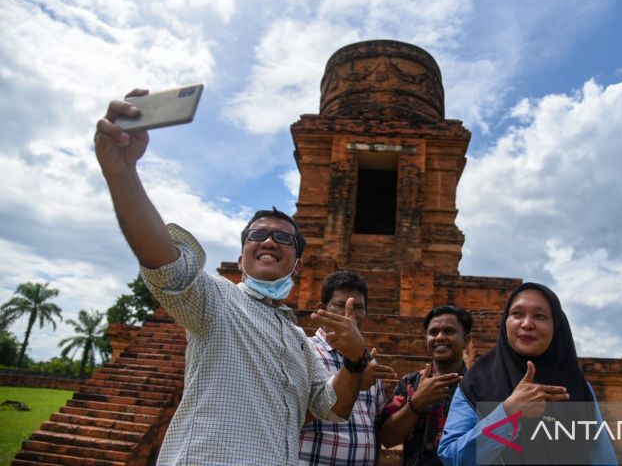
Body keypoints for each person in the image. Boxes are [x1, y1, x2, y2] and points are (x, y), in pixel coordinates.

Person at [94, 90, 370, 465]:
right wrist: (122, 173)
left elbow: (330, 406)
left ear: (298, 264)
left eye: (284, 238)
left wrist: (355, 359)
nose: (270, 240)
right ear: (241, 260)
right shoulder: (216, 301)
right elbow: (165, 263)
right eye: (257, 235)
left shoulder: (300, 341)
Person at [437, 282, 617, 465]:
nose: (527, 324)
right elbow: (452, 457)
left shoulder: (578, 387)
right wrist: (508, 412)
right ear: (506, 321)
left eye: (540, 316)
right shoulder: (477, 382)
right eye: (517, 314)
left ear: (556, 327)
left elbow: (602, 457)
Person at [299, 270, 399, 465]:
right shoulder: (303, 350)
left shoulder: (370, 361)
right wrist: (353, 379)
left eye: (359, 307)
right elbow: (289, 415)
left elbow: (375, 426)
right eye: (340, 305)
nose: (350, 314)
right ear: (322, 308)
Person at [380, 305, 473, 465]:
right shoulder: (410, 382)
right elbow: (387, 439)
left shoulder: (480, 385)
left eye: (449, 331)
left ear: (466, 341)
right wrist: (417, 402)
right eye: (433, 332)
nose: (440, 337)